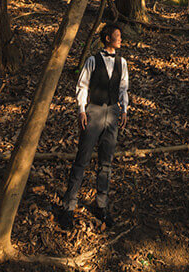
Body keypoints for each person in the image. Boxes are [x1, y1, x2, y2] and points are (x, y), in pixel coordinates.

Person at [59, 22, 128, 230]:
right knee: (82, 159)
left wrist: (124, 109)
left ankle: (101, 205)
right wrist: (81, 110)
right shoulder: (92, 60)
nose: (121, 39)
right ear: (107, 38)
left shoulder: (122, 63)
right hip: (94, 112)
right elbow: (82, 86)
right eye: (117, 35)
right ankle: (68, 208)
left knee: (106, 161)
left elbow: (124, 87)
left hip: (113, 113)